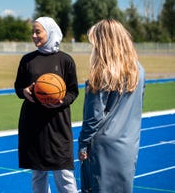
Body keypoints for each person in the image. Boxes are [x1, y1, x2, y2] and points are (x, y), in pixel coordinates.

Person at [78, 19, 145, 193]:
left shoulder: (102, 71)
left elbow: (94, 115)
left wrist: (83, 143)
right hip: (129, 143)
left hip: (102, 145)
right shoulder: (139, 70)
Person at [14, 17, 79, 193]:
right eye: (33, 32)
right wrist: (24, 92)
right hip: (33, 123)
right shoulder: (27, 60)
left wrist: (61, 101)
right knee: (37, 174)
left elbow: (74, 91)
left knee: (64, 173)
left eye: (38, 31)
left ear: (50, 32)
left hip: (57, 124)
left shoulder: (65, 60)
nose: (34, 35)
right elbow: (18, 88)